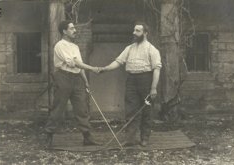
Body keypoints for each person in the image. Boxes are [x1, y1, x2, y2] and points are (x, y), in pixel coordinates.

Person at [99, 21, 162, 147]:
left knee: (146, 110)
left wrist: (153, 88)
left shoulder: (152, 49)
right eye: (134, 30)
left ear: (145, 33)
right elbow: (118, 61)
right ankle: (130, 138)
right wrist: (105, 68)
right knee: (131, 110)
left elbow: (157, 69)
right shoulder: (129, 48)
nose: (134, 33)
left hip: (146, 80)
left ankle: (144, 138)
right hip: (131, 81)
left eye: (137, 31)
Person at [45, 20, 100, 148]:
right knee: (58, 108)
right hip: (63, 77)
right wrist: (92, 68)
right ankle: (48, 136)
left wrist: (85, 82)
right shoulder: (60, 45)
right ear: (64, 31)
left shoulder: (75, 47)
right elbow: (73, 63)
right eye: (71, 28)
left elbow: (79, 66)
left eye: (74, 28)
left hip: (77, 80)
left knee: (82, 108)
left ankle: (87, 138)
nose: (75, 30)